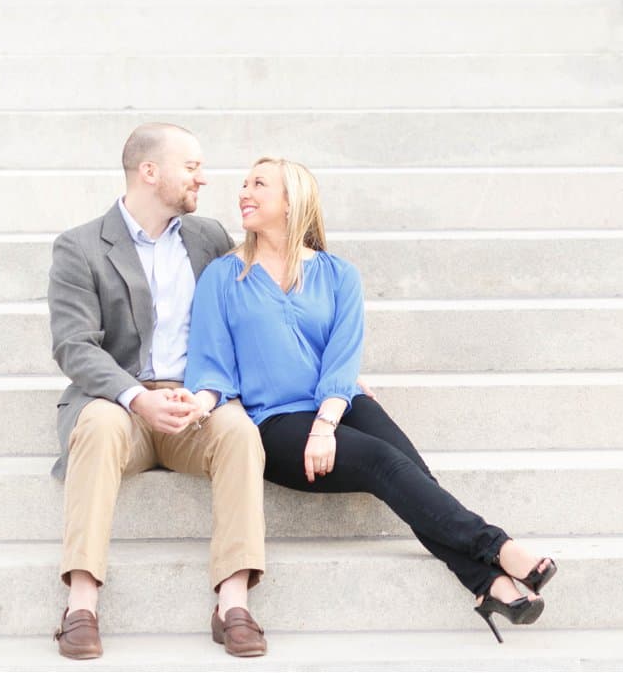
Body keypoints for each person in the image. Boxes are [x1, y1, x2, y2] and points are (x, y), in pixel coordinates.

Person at [183, 156, 557, 643]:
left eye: (259, 185)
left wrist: (327, 420)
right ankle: (500, 550)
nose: (243, 194)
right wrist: (199, 404)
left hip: (332, 403)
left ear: (293, 202)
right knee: (383, 461)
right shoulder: (222, 277)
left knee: (412, 471)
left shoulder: (339, 275)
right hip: (273, 422)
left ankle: (488, 585)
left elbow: (342, 361)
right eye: (244, 185)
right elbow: (210, 365)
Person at [47, 123, 268, 659]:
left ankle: (231, 603)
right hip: (119, 404)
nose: (204, 177)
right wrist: (135, 397)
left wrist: (208, 395)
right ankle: (81, 604)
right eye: (191, 166)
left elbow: (261, 306)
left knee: (240, 432)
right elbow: (74, 347)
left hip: (195, 405)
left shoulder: (209, 238)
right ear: (150, 172)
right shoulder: (79, 247)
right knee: (97, 425)